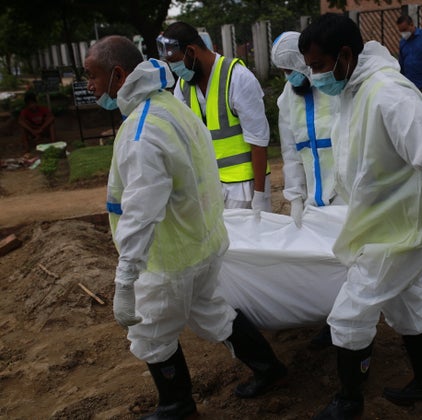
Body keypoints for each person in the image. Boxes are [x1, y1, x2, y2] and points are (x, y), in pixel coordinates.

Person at [84, 35, 287, 419]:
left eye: (91, 76)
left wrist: (126, 278)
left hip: (169, 258)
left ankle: (177, 405)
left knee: (150, 332)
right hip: (201, 244)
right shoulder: (170, 108)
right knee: (213, 313)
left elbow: (141, 212)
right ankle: (270, 369)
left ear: (118, 74)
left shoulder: (142, 132)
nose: (89, 87)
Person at [299, 13, 422, 418]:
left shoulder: (388, 93)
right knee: (406, 303)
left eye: (317, 66)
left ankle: (349, 402)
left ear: (345, 54)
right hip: (383, 223)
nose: (313, 77)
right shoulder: (351, 91)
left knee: (350, 314)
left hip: (403, 230)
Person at [271, 31, 341, 350]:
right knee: (326, 264)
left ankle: (354, 327)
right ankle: (333, 323)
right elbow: (291, 153)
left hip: (346, 192)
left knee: (353, 259)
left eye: (291, 69)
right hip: (315, 198)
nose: (289, 77)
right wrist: (295, 197)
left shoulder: (335, 87)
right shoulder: (287, 100)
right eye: (283, 72)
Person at [157, 22, 271, 215]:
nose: (174, 69)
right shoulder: (184, 85)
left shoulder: (237, 77)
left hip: (244, 188)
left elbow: (259, 141)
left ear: (191, 52)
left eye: (175, 62)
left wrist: (259, 196)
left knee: (246, 245)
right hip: (209, 186)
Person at [396, 15, 422, 104]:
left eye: (404, 30)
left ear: (411, 25)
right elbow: (402, 62)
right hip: (409, 83)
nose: (403, 33)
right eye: (400, 31)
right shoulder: (403, 42)